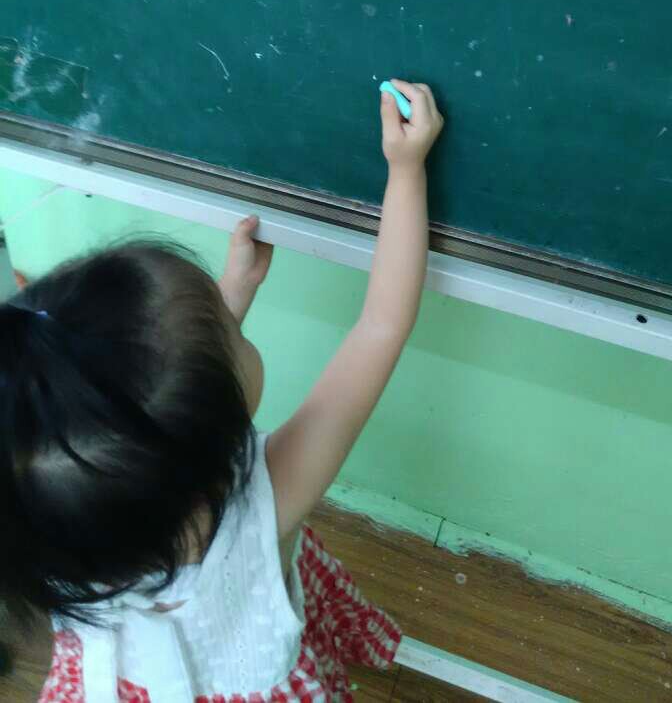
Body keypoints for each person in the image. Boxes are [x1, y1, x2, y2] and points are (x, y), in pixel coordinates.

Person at [0, 80, 443, 702]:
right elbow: (381, 326)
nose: (228, 321)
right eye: (226, 334)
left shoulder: (48, 521)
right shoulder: (271, 502)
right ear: (217, 430)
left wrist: (232, 295)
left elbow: (154, 415)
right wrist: (406, 170)